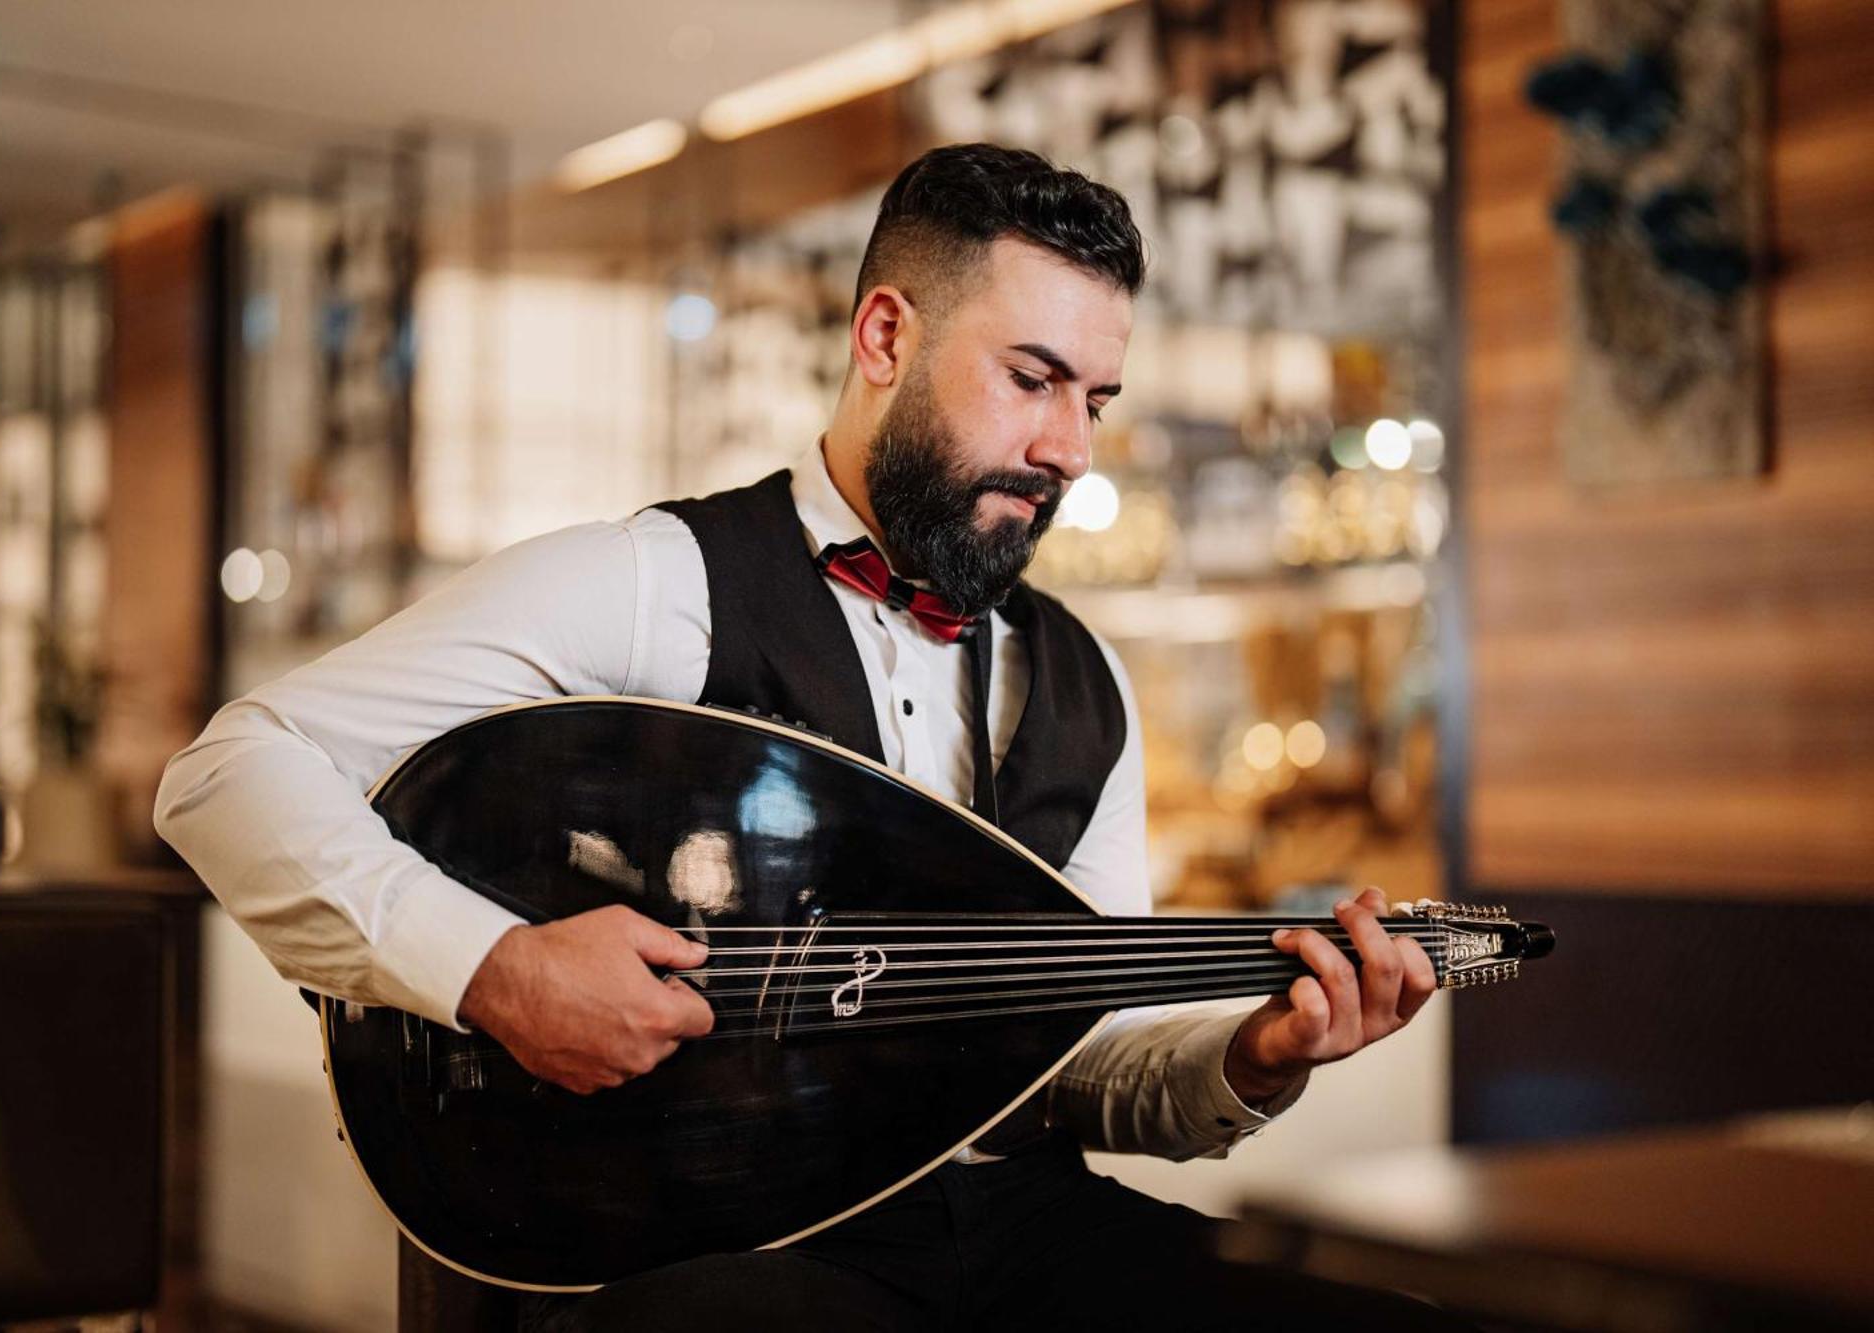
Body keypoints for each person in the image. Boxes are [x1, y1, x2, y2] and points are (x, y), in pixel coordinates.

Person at [156, 143, 1466, 1332]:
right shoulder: (654, 583)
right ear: (885, 334)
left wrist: (1256, 1055)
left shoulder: (1085, 682)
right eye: (1031, 380)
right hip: (736, 1247)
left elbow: (1073, 1063)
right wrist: (495, 967)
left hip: (1019, 1229)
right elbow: (230, 772)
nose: (1068, 445)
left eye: (1098, 400)